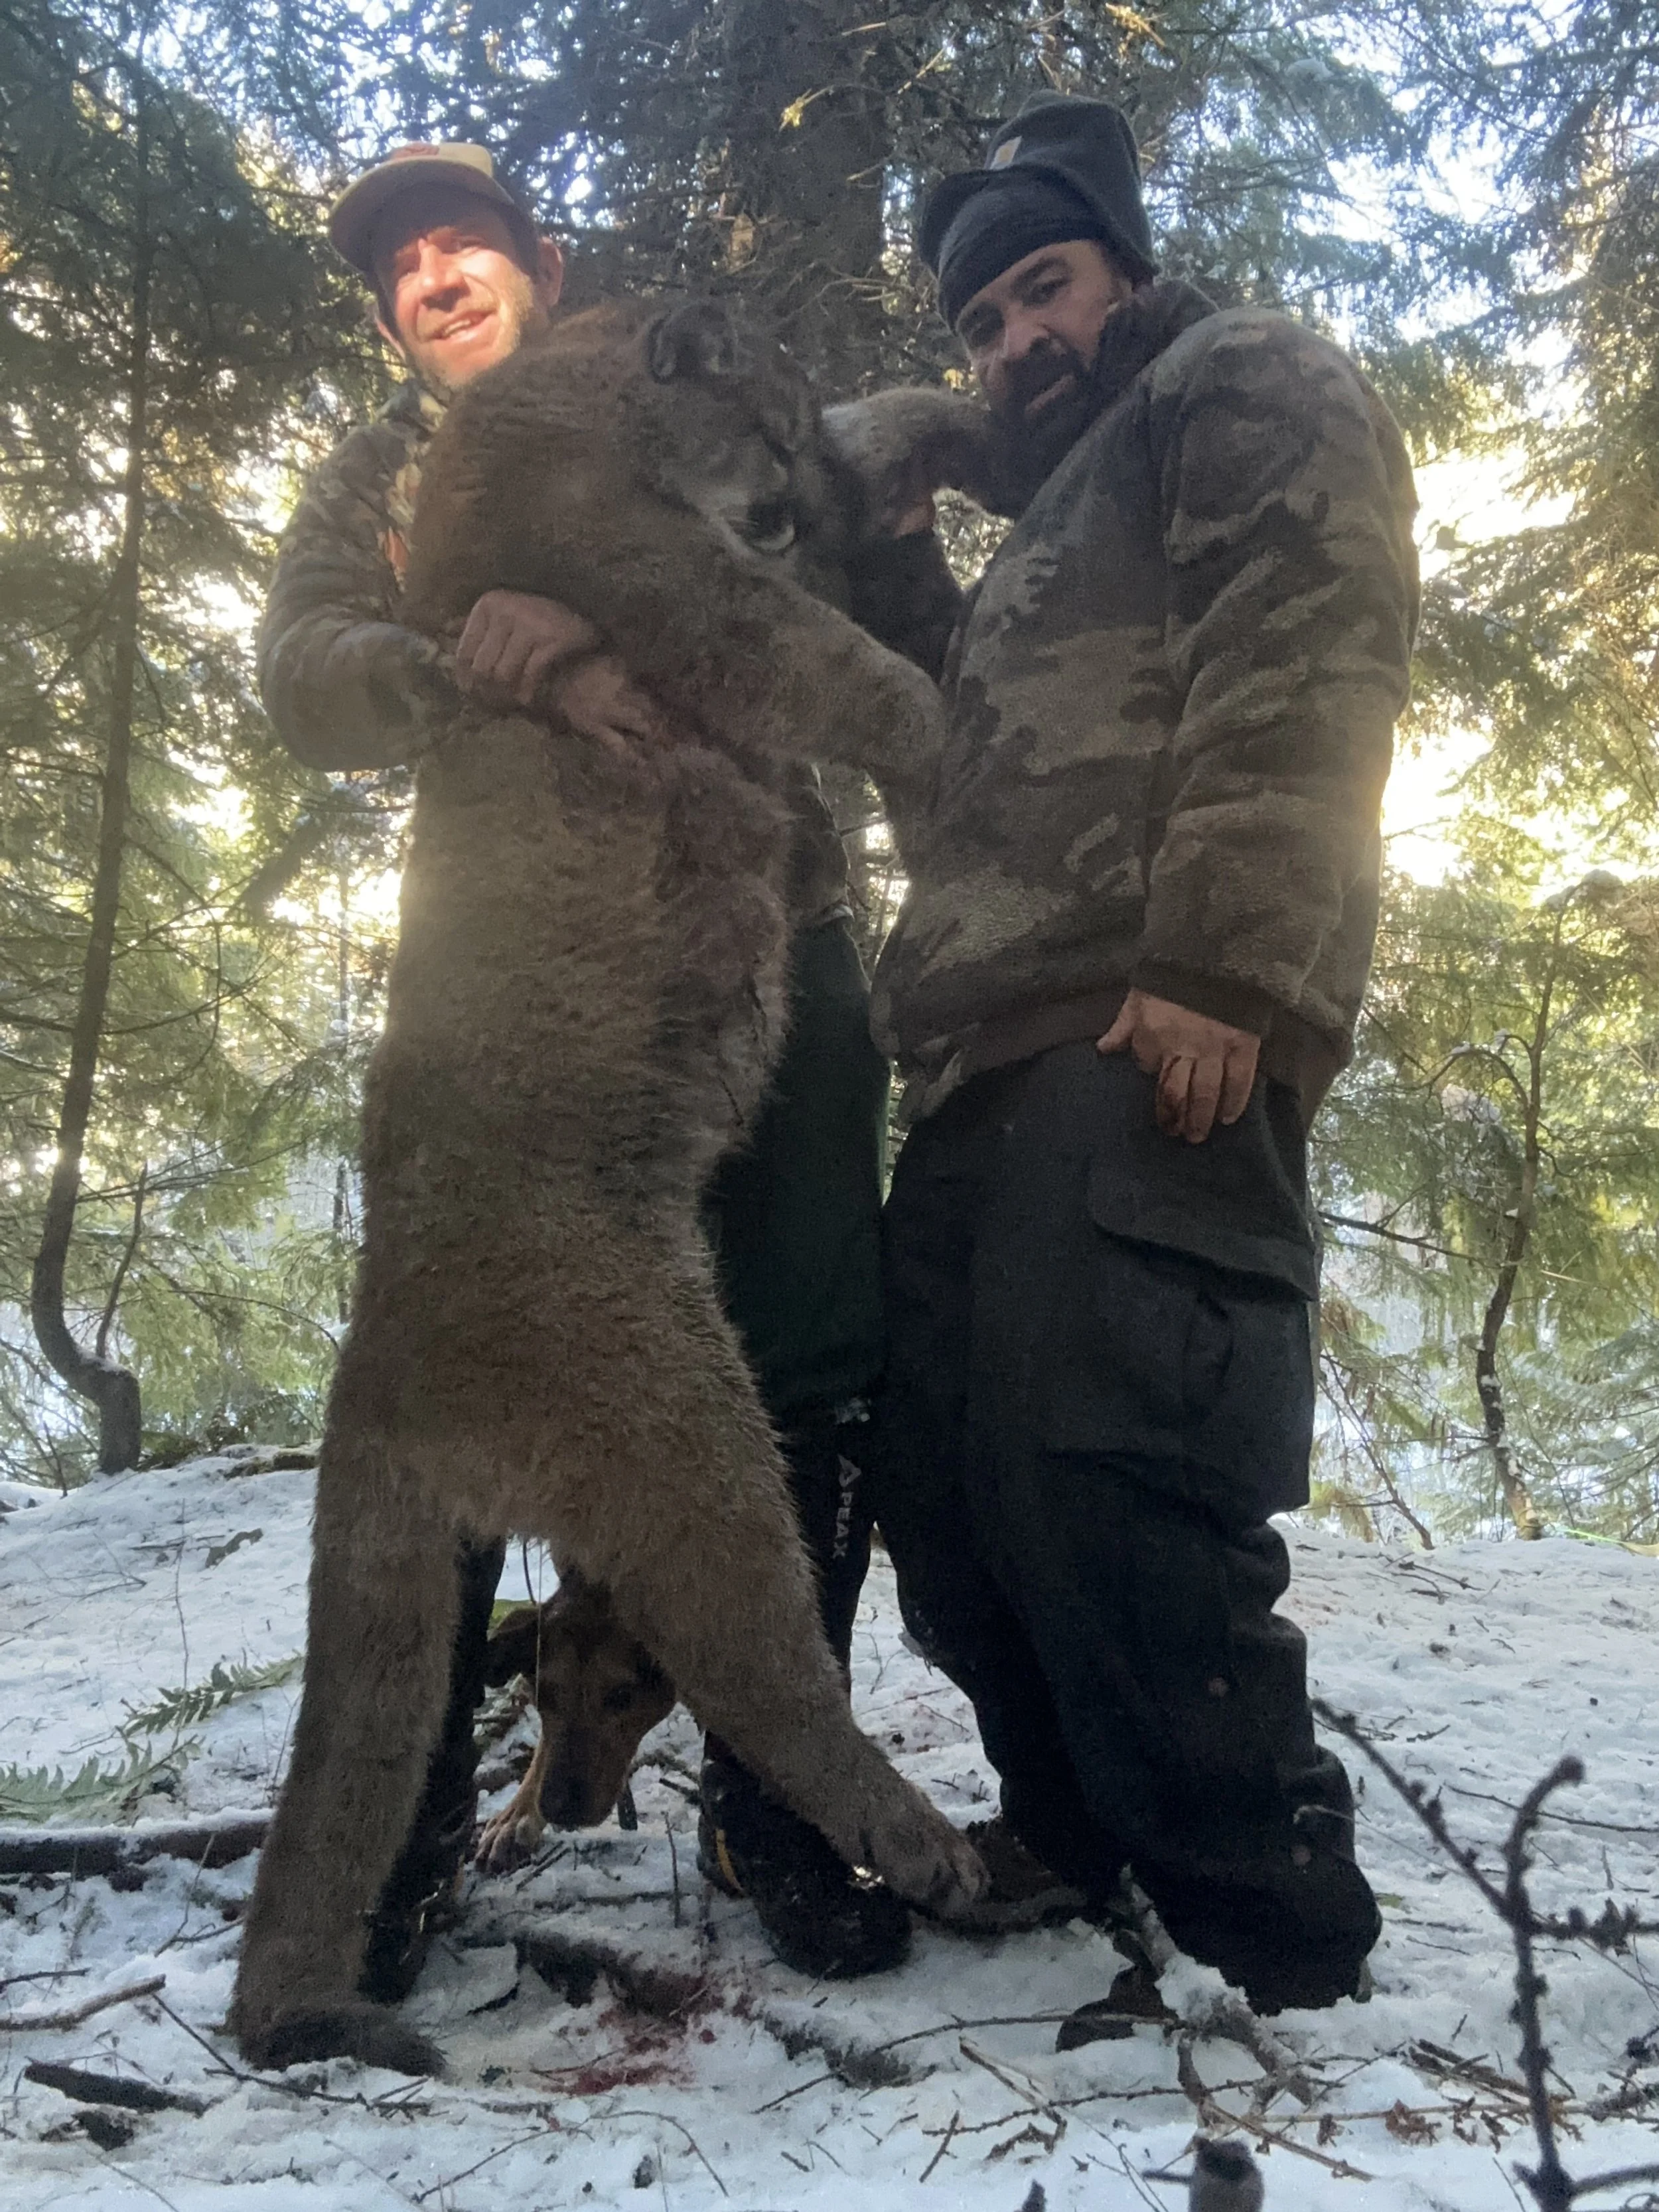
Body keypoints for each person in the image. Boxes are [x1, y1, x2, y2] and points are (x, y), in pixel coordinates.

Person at [257, 143, 903, 1988]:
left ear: (544, 258)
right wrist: (473, 661)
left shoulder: (687, 399)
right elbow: (302, 665)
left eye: (461, 243)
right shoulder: (379, 467)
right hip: (512, 972)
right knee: (466, 1348)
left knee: (811, 1338)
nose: (431, 277)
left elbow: (818, 590)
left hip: (767, 932)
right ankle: (399, 1847)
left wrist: (620, 621)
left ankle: (780, 1802)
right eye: (399, 267)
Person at [849, 92, 1420, 2013]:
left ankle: (1277, 1935)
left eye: (1041, 287)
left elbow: (1307, 632)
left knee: (1116, 1468)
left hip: (1148, 1018)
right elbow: (970, 759)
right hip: (986, 1051)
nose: (1013, 342)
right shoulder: (1051, 525)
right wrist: (903, 539)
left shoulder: (1235, 374)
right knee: (953, 1491)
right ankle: (1075, 1831)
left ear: (1125, 268)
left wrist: (1222, 961)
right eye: (980, 326)